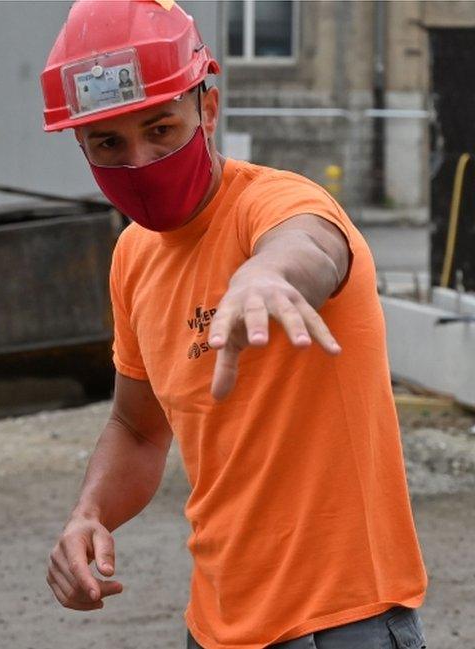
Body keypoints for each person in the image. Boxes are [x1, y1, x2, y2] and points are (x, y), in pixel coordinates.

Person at [40, 2, 427, 648]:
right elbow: (138, 429)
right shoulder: (133, 257)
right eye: (109, 142)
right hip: (218, 626)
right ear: (82, 146)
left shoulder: (273, 204)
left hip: (344, 621)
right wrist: (88, 515)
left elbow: (313, 242)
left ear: (208, 111)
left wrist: (268, 275)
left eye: (161, 128)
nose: (139, 160)